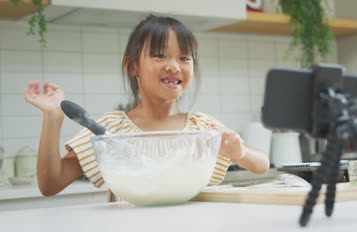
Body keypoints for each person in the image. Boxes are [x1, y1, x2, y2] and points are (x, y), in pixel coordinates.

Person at [24, 15, 270, 196]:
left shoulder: (202, 127)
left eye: (184, 58)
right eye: (160, 55)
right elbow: (50, 184)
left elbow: (262, 165)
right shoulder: (110, 129)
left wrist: (240, 152)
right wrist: (53, 117)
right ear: (132, 66)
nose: (174, 65)